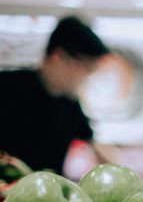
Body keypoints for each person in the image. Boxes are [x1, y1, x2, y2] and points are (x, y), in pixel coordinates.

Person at [0, 15, 112, 174]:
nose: (86, 78)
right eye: (85, 68)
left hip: (51, 195)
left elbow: (94, 144)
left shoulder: (70, 103)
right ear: (58, 57)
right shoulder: (8, 87)